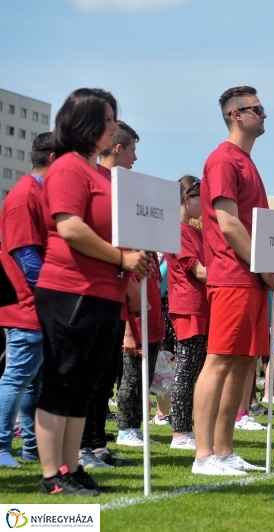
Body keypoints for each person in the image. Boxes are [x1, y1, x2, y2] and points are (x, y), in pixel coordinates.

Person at [34, 88, 153, 495]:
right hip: (71, 290)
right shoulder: (68, 167)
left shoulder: (95, 172)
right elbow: (70, 227)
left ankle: (70, 468)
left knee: (85, 385)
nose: (111, 127)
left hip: (103, 292)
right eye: (106, 120)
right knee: (63, 380)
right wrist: (122, 260)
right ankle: (52, 476)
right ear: (83, 123)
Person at [192, 86, 274, 476]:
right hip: (232, 276)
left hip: (250, 279)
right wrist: (265, 266)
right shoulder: (223, 159)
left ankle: (224, 451)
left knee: (244, 363)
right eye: (257, 109)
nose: (264, 114)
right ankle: (202, 455)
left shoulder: (246, 161)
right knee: (220, 360)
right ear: (235, 115)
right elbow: (229, 224)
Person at [78, 121, 142, 469]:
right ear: (117, 147)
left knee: (104, 378)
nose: (135, 156)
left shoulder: (120, 188)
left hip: (117, 295)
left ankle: (97, 443)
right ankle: (80, 447)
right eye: (132, 148)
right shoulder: (94, 182)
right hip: (95, 293)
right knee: (88, 377)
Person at [0, 133, 53, 468]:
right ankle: (2, 446)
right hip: (27, 304)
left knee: (35, 379)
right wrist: (54, 291)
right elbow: (26, 257)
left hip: (41, 304)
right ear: (51, 158)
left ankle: (31, 447)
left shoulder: (39, 193)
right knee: (18, 377)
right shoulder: (24, 195)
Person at [164, 175, 209, 450]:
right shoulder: (177, 232)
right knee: (186, 370)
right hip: (188, 307)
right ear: (186, 198)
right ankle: (180, 432)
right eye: (200, 196)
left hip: (203, 307)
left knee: (196, 370)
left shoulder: (195, 231)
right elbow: (201, 271)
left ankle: (187, 429)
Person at [116, 250, 164, 446]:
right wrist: (127, 333)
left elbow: (156, 288)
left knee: (144, 382)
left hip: (152, 328)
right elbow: (124, 293)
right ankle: (124, 430)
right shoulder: (130, 253)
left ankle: (135, 428)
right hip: (136, 328)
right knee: (131, 381)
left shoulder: (150, 252)